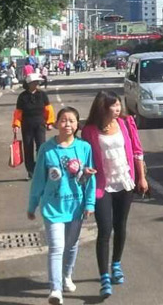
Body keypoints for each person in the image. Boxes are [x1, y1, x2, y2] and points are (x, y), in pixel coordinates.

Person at [80, 91, 147, 298]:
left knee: (120, 226)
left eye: (119, 105)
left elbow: (137, 151)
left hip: (125, 182)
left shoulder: (126, 123)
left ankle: (116, 263)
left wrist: (141, 177)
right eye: (114, 106)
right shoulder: (90, 131)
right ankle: (104, 278)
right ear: (103, 107)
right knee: (105, 229)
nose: (118, 109)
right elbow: (85, 156)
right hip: (101, 185)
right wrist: (84, 170)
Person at [28, 106, 95, 304]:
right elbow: (39, 179)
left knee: (72, 245)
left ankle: (67, 276)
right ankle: (55, 289)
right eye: (63, 120)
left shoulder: (84, 148)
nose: (67, 124)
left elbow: (89, 179)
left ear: (77, 125)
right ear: (56, 123)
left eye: (72, 121)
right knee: (57, 247)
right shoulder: (46, 149)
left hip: (76, 206)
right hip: (52, 207)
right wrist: (32, 205)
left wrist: (90, 203)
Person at [13, 73, 56, 179]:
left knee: (41, 146)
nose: (37, 83)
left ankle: (41, 168)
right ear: (29, 83)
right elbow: (18, 112)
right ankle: (30, 170)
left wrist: (49, 122)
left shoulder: (42, 95)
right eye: (35, 82)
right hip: (26, 124)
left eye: (38, 82)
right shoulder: (22, 96)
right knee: (28, 147)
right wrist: (16, 124)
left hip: (40, 124)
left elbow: (48, 110)